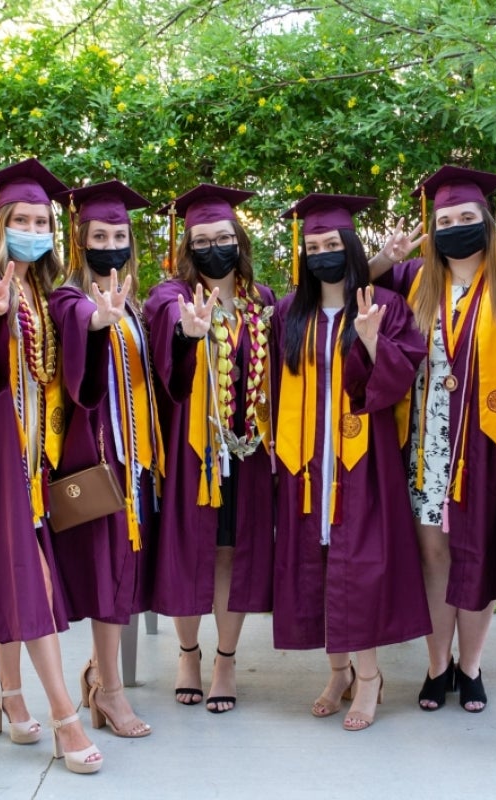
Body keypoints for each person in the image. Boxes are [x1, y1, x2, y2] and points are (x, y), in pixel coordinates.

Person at [0, 158, 102, 774]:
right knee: (31, 580)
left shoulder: (45, 289)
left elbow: (73, 364)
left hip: (38, 462)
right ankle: (64, 715)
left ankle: (6, 693)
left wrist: (99, 320)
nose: (34, 228)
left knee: (17, 577)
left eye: (43, 220)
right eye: (23, 219)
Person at [270, 194, 430, 731]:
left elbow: (400, 378)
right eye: (313, 247)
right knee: (315, 562)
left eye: (332, 245)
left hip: (363, 461)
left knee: (356, 566)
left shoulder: (385, 305)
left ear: (350, 248)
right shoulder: (290, 312)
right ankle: (336, 671)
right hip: (305, 461)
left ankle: (368, 677)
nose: (322, 255)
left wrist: (369, 341)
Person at [370, 166, 496, 713]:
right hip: (425, 445)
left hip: (486, 443)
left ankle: (471, 665)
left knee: (473, 554)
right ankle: (438, 666)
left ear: (487, 221)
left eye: (466, 217)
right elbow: (351, 287)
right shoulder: (412, 279)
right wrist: (386, 257)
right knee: (433, 553)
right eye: (445, 220)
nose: (456, 227)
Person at [144, 184, 277, 713]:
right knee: (188, 551)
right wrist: (187, 335)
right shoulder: (168, 297)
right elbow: (166, 370)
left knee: (230, 552)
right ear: (188, 247)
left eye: (223, 237)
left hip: (247, 452)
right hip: (191, 451)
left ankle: (225, 658)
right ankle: (187, 653)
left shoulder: (260, 300)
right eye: (202, 239)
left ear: (239, 241)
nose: (214, 247)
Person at [48, 180, 159, 740]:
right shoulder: (69, 299)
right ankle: (110, 692)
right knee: (110, 573)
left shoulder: (133, 302)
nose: (111, 244)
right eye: (100, 235)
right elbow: (77, 354)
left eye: (119, 234)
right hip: (97, 462)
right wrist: (96, 322)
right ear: (80, 240)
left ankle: (99, 676)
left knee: (122, 572)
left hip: (136, 461)